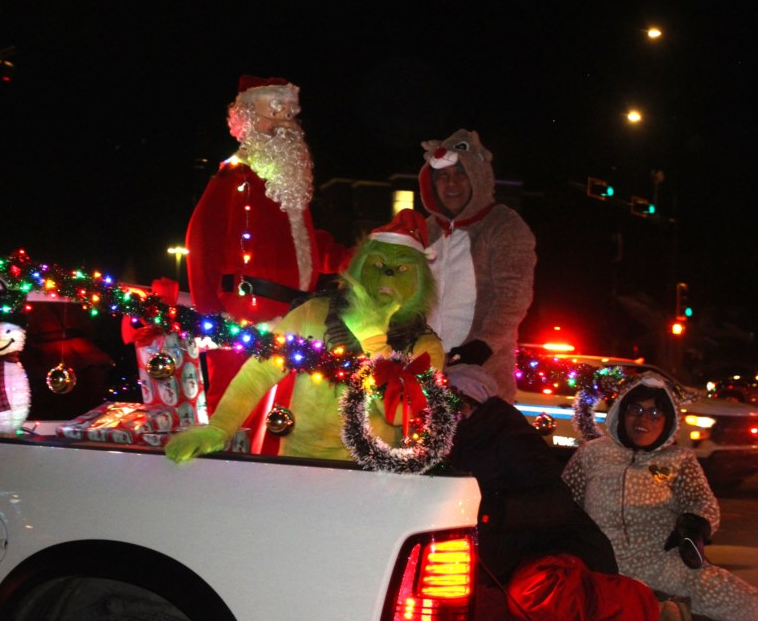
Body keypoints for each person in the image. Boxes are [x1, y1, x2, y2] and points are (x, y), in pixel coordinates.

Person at [166, 209, 442, 463]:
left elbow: (403, 415)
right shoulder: (315, 313)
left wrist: (373, 344)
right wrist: (219, 427)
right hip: (300, 463)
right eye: (378, 263)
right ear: (359, 266)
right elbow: (257, 373)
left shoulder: (423, 344)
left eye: (403, 269)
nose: (388, 275)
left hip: (369, 475)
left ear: (420, 282)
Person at [445, 363, 691, 621]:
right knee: (477, 615)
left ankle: (654, 612)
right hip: (505, 561)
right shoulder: (444, 444)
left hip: (555, 549)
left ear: (474, 403)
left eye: (456, 404)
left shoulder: (509, 435)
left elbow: (555, 500)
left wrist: (492, 510)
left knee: (535, 595)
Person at [561, 371, 758, 621]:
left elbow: (701, 501)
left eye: (654, 413)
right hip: (604, 568)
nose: (643, 419)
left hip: (663, 562)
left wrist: (694, 526)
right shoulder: (593, 454)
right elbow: (564, 502)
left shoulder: (678, 460)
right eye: (636, 409)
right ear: (622, 412)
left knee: (756, 605)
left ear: (668, 420)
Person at [185, 74, 349, 455]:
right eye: (272, 113)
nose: (283, 124)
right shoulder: (231, 180)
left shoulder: (289, 188)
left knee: (286, 428)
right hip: (244, 328)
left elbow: (307, 247)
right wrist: (213, 321)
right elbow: (201, 247)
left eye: (289, 114)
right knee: (238, 424)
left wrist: (357, 257)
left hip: (297, 325)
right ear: (245, 119)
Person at [417, 129, 536, 403]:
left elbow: (513, 296)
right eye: (443, 176)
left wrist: (483, 345)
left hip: (481, 380)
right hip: (423, 375)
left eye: (461, 174)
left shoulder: (503, 226)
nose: (452, 184)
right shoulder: (426, 229)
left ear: (477, 177)